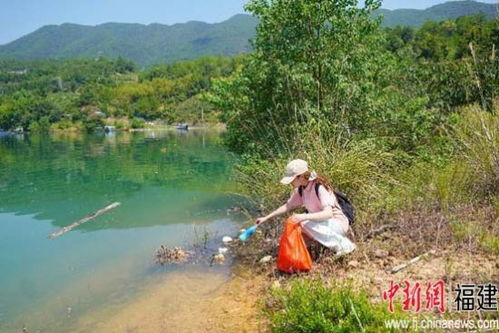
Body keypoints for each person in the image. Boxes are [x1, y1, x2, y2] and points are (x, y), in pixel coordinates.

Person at [255, 159, 356, 256]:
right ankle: (316, 251)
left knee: (302, 222)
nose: (290, 183)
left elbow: (328, 214)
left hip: (337, 224)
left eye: (292, 179)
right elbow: (287, 206)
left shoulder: (319, 187)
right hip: (322, 226)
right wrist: (266, 218)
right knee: (294, 235)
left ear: (301, 177)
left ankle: (344, 246)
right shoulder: (301, 190)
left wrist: (303, 217)